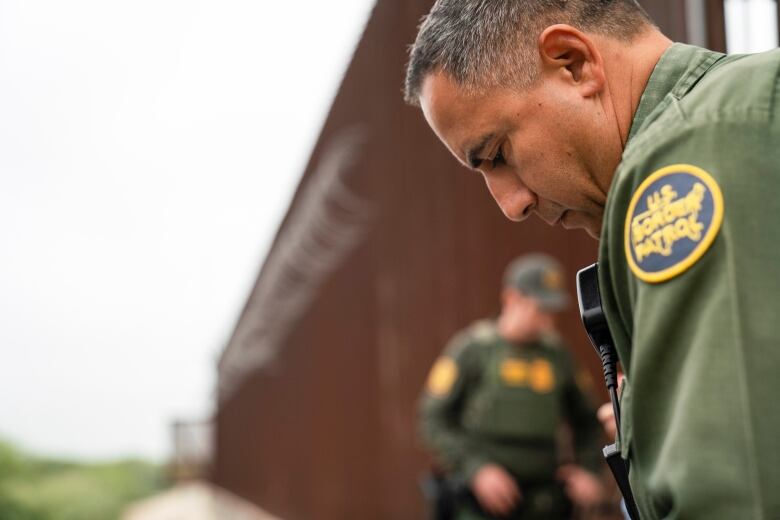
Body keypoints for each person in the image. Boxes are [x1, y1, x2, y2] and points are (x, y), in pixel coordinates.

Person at [403, 1, 780, 518]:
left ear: (573, 62)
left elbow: (738, 494)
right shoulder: (741, 114)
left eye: (497, 155)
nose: (513, 205)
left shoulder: (686, 160)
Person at [419, 254, 604, 519]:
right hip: (480, 504)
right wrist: (477, 469)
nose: (547, 321)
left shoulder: (558, 355)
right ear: (511, 298)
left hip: (543, 502)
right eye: (539, 309)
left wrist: (588, 470)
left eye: (552, 311)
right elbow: (433, 418)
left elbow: (588, 419)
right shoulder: (472, 350)